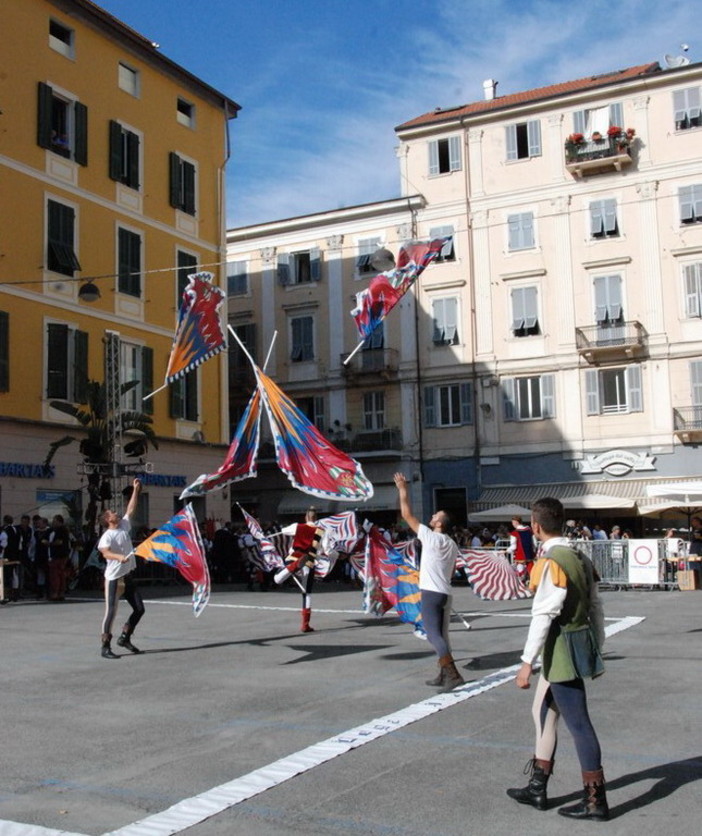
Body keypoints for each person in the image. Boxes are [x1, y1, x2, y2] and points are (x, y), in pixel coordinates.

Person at [507, 497, 608, 821]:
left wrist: (526, 662)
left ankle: (595, 801)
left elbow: (543, 614)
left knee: (579, 723)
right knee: (544, 712)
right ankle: (538, 786)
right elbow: (595, 607)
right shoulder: (579, 555)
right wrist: (597, 644)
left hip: (561, 650)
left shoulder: (552, 562)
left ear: (535, 527)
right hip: (577, 644)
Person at [393, 472, 465, 692]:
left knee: (433, 634)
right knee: (442, 634)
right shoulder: (452, 543)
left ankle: (453, 675)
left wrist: (402, 489)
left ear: (438, 523)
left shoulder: (430, 536)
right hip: (445, 592)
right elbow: (452, 570)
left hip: (431, 592)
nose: (432, 515)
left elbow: (406, 513)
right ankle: (444, 674)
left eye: (435, 515)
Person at [97, 479, 145, 659]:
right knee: (111, 611)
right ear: (108, 520)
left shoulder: (124, 525)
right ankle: (105, 646)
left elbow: (130, 509)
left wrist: (136, 490)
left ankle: (125, 637)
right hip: (114, 578)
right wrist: (119, 557)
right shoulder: (107, 535)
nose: (116, 513)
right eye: (112, 513)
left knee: (139, 609)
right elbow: (105, 553)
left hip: (127, 575)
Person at [276, 508, 323, 632]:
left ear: (305, 517)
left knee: (277, 579)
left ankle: (293, 566)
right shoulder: (321, 531)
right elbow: (323, 550)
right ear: (316, 518)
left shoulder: (297, 526)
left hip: (294, 557)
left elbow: (283, 531)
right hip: (309, 561)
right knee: (306, 593)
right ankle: (305, 624)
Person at [47, 514, 71, 601]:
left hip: (58, 555)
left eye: (54, 521)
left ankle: (55, 593)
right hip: (63, 554)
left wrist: (49, 544)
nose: (53, 523)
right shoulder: (64, 530)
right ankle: (61, 592)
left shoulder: (60, 530)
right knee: (61, 574)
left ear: (59, 521)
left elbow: (59, 542)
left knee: (55, 575)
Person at [508, 515, 535, 582]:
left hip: (520, 554)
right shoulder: (529, 530)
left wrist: (506, 551)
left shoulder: (514, 533)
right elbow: (534, 543)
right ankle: (534, 584)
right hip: (529, 554)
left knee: (520, 572)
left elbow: (513, 547)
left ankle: (522, 585)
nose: (512, 524)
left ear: (516, 522)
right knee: (531, 570)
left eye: (513, 523)